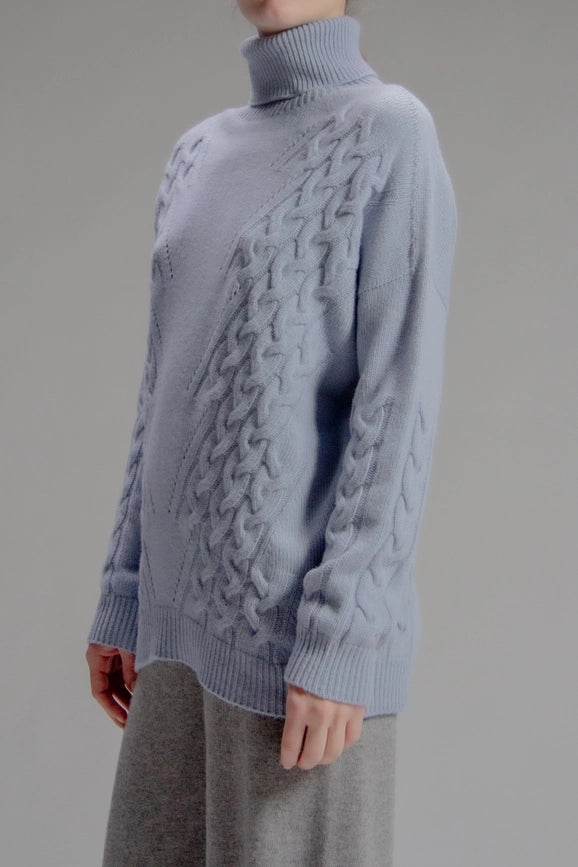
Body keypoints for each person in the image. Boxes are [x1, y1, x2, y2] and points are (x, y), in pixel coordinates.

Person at [85, 1, 458, 864]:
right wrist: (124, 589)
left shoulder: (390, 132)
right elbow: (160, 388)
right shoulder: (196, 154)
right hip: (171, 643)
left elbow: (398, 406)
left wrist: (344, 639)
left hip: (295, 655)